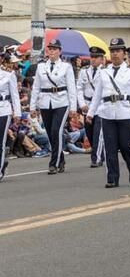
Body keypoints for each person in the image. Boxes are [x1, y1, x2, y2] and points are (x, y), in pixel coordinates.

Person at [86, 38, 130, 188]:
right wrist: (91, 113)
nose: (115, 54)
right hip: (107, 113)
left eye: (118, 51)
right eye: (112, 51)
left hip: (125, 112)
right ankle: (112, 178)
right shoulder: (104, 72)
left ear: (124, 53)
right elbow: (97, 95)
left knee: (126, 146)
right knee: (109, 147)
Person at [30, 39, 78, 175]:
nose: (51, 51)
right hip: (45, 102)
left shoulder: (66, 67)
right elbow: (36, 87)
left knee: (56, 130)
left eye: (54, 49)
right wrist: (32, 106)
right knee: (51, 133)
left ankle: (54, 163)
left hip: (61, 101)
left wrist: (73, 108)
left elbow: (71, 88)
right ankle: (61, 159)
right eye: (50, 49)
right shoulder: (41, 67)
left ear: (60, 51)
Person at [77, 46, 106, 167]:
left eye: (96, 57)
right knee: (89, 133)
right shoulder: (84, 71)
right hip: (87, 105)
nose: (93, 60)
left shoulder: (105, 71)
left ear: (101, 59)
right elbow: (79, 88)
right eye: (92, 57)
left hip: (100, 106)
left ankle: (96, 158)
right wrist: (82, 104)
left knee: (97, 133)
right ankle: (100, 153)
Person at [0, 63, 21, 181]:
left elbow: (15, 95)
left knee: (1, 141)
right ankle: (3, 162)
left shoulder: (8, 75)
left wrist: (17, 112)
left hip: (3, 109)